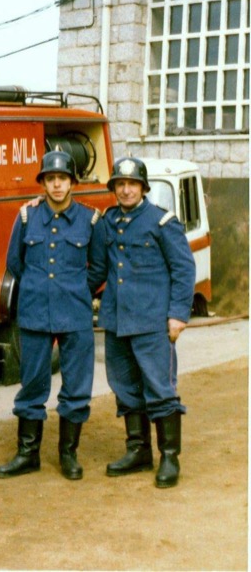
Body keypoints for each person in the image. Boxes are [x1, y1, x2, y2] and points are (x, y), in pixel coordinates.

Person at [0, 150, 107, 481]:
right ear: (43, 182)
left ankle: (67, 455)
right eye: (50, 178)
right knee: (32, 385)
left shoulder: (91, 220)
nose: (57, 184)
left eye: (63, 178)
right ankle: (27, 453)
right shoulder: (27, 217)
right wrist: (38, 288)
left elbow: (98, 266)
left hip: (75, 314)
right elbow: (16, 261)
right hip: (34, 313)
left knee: (76, 386)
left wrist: (74, 289)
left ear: (73, 182)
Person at [98, 156, 195, 488]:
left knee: (160, 389)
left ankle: (169, 457)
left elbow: (183, 270)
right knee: (124, 388)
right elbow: (98, 266)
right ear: (113, 188)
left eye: (132, 184)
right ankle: (138, 451)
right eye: (120, 185)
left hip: (153, 321)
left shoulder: (162, 222)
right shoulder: (107, 222)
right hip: (117, 320)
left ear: (143, 188)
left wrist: (178, 315)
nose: (126, 190)